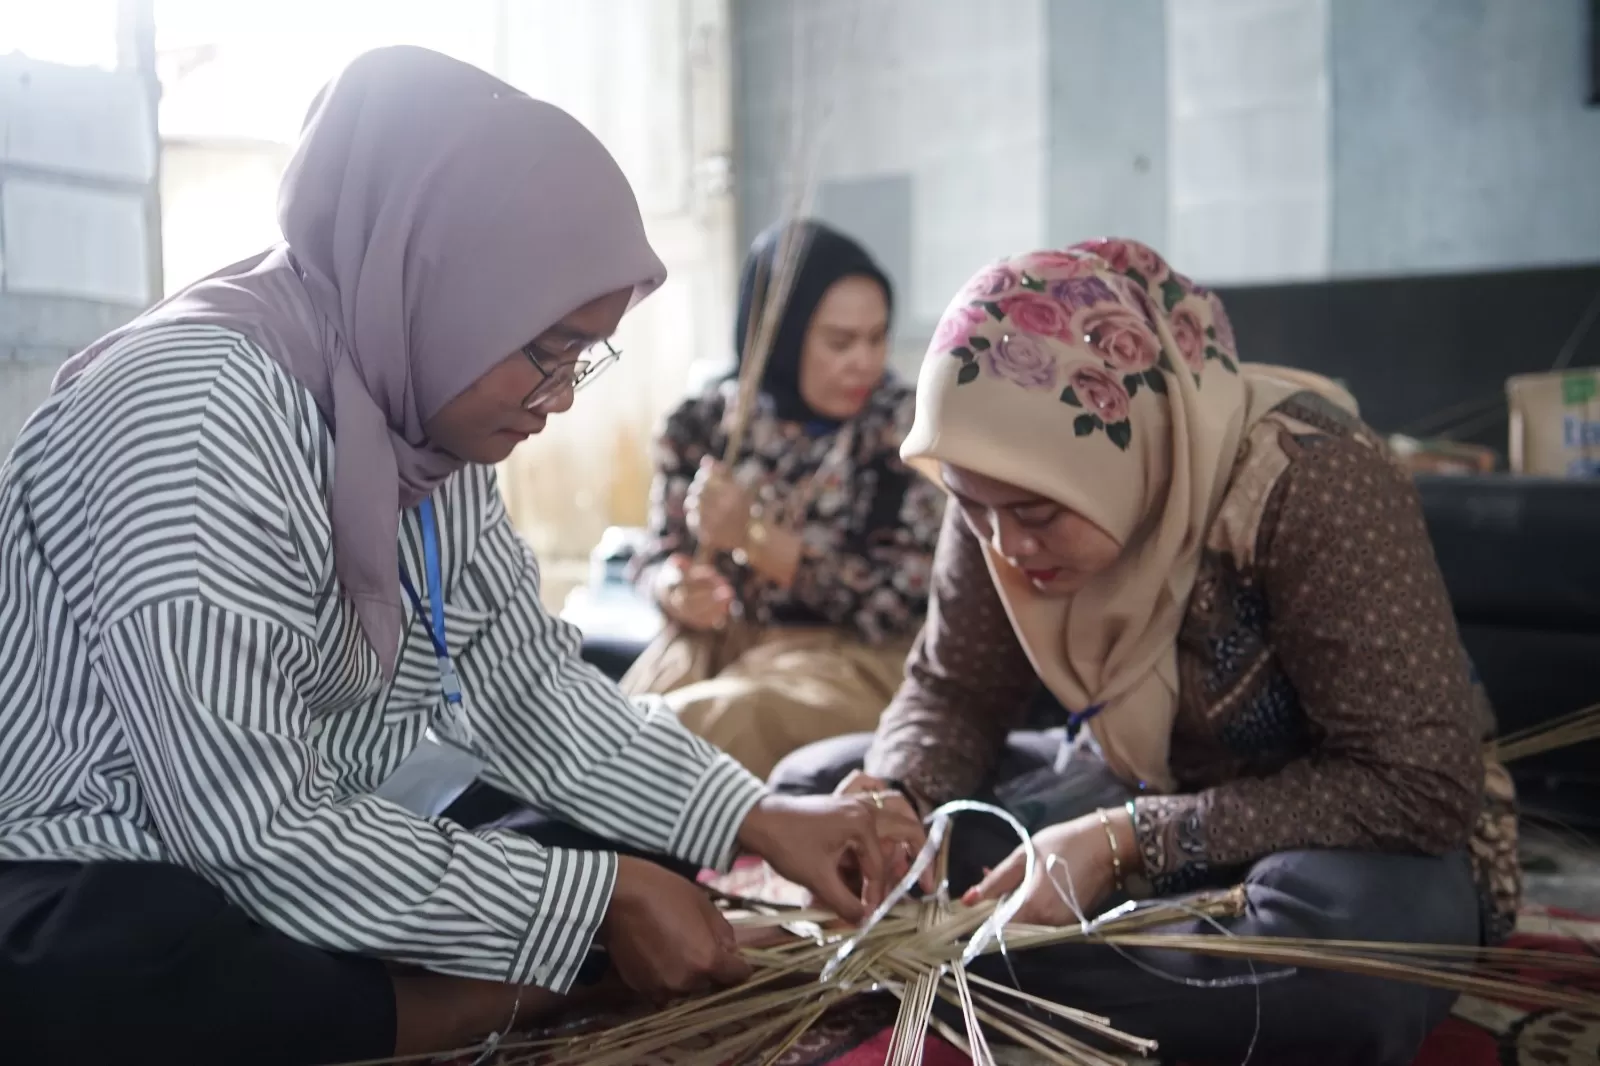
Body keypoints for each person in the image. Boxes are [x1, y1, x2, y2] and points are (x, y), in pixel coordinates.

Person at [0, 48, 923, 1066]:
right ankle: (484, 998)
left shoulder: (422, 417)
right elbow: (250, 830)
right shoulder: (191, 415)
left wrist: (754, 814)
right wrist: (597, 901)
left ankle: (455, 978)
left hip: (322, 822)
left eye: (585, 354)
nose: (564, 394)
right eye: (548, 349)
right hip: (106, 857)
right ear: (434, 276)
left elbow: (519, 679)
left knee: (634, 842)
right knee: (139, 970)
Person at [770, 239, 1521, 1065]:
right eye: (976, 512)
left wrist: (1124, 841)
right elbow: (955, 690)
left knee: (1341, 968)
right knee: (818, 795)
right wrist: (897, 800)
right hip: (1110, 785)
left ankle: (955, 962)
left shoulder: (1316, 482)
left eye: (1036, 513)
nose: (1006, 544)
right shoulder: (992, 482)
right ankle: (1032, 961)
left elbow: (1416, 785)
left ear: (1127, 445)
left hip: (1331, 852)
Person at [621, 219, 944, 779]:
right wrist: (675, 589)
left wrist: (755, 538)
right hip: (719, 643)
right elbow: (655, 554)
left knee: (705, 722)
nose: (864, 362)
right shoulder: (704, 425)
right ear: (781, 337)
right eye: (840, 342)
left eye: (877, 337)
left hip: (852, 661)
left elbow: (902, 600)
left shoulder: (904, 430)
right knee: (613, 728)